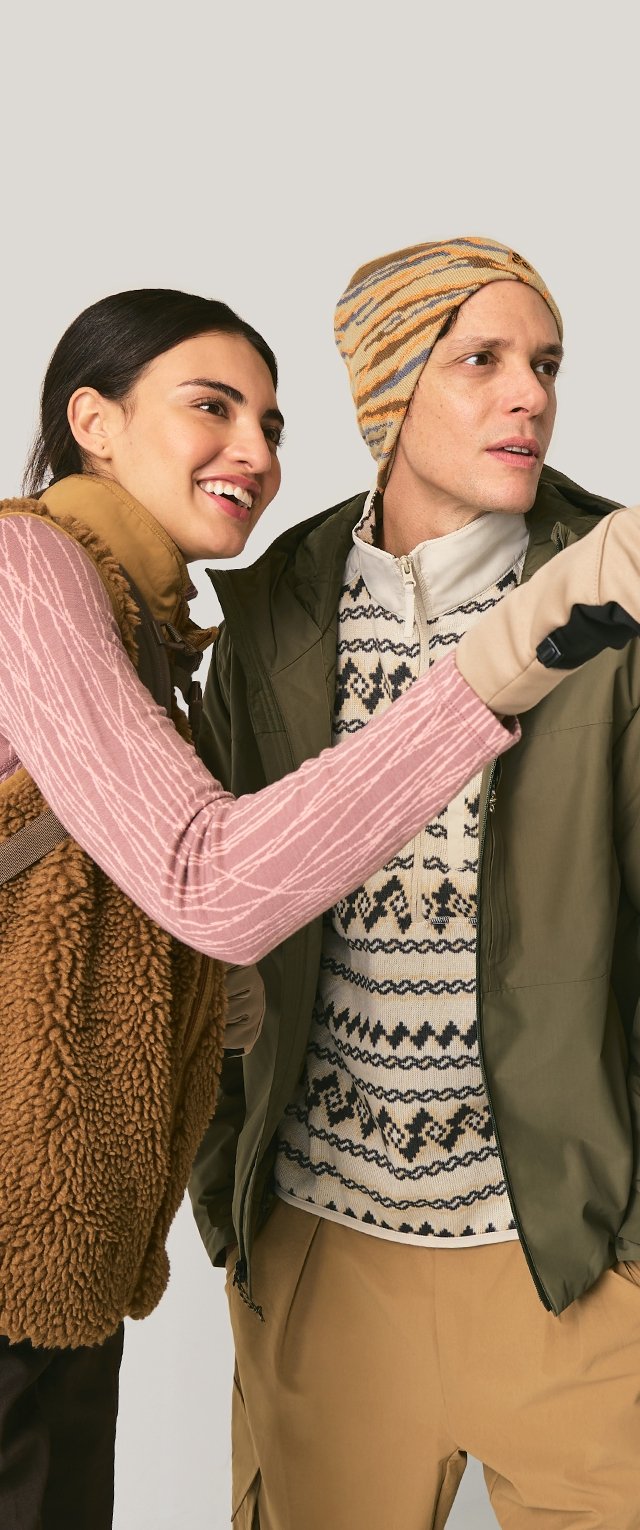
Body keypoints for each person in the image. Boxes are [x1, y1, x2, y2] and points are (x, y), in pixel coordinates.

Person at [4, 285, 631, 1530]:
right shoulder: (37, 574)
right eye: (211, 406)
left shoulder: (153, 628)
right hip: (178, 1248)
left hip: (74, 1253)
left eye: (271, 423)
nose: (253, 450)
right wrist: (497, 666)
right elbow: (210, 884)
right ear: (93, 421)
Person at [189, 239, 640, 1530]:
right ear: (386, 388)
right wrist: (231, 1200)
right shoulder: (274, 606)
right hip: (321, 1260)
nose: (529, 395)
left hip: (572, 1264)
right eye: (480, 360)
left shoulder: (617, 590)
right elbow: (210, 910)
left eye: (545, 363)